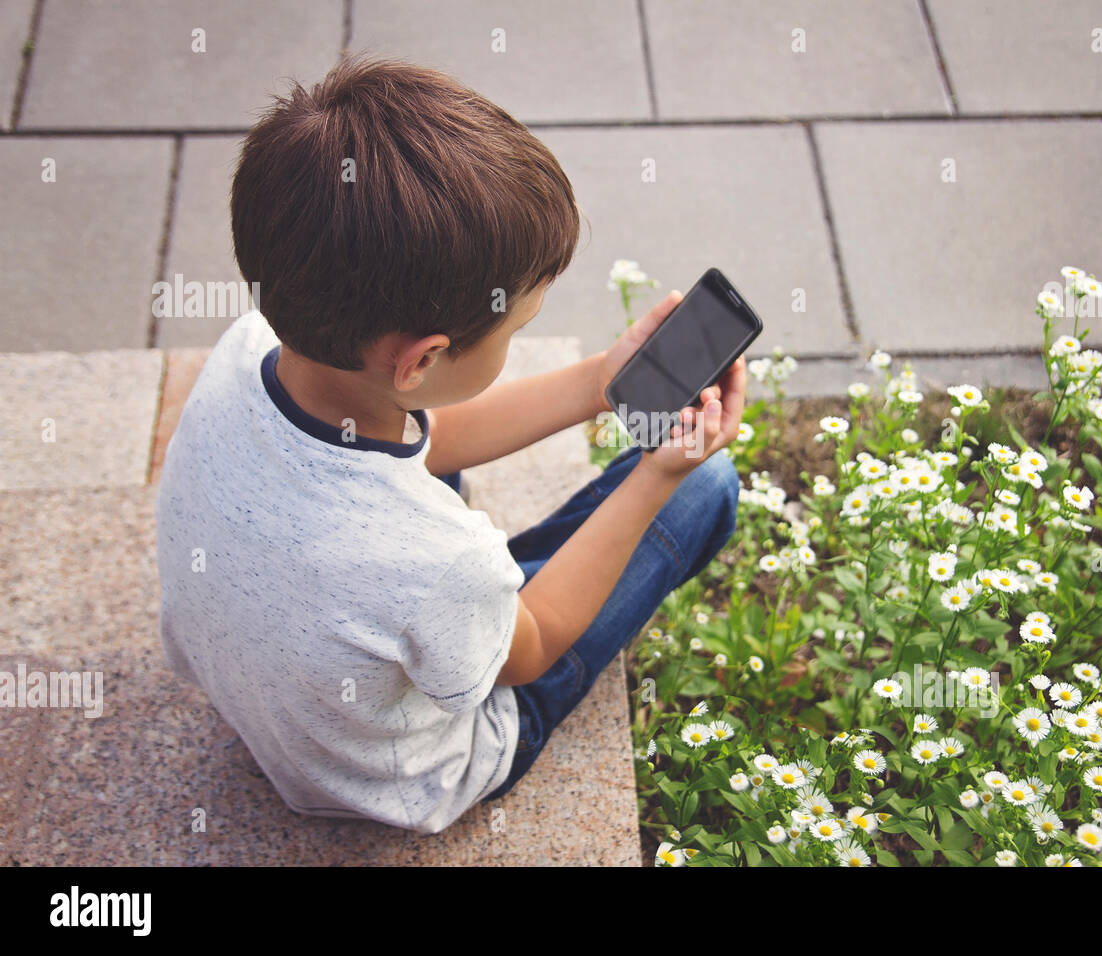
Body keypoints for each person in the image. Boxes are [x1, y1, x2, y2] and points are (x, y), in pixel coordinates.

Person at [155, 54, 746, 834]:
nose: (520, 337)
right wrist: (659, 475)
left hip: (272, 691)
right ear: (425, 358)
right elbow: (531, 651)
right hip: (399, 779)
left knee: (423, 540)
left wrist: (602, 383)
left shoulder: (245, 349)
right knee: (710, 489)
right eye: (518, 328)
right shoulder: (435, 561)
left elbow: (429, 440)